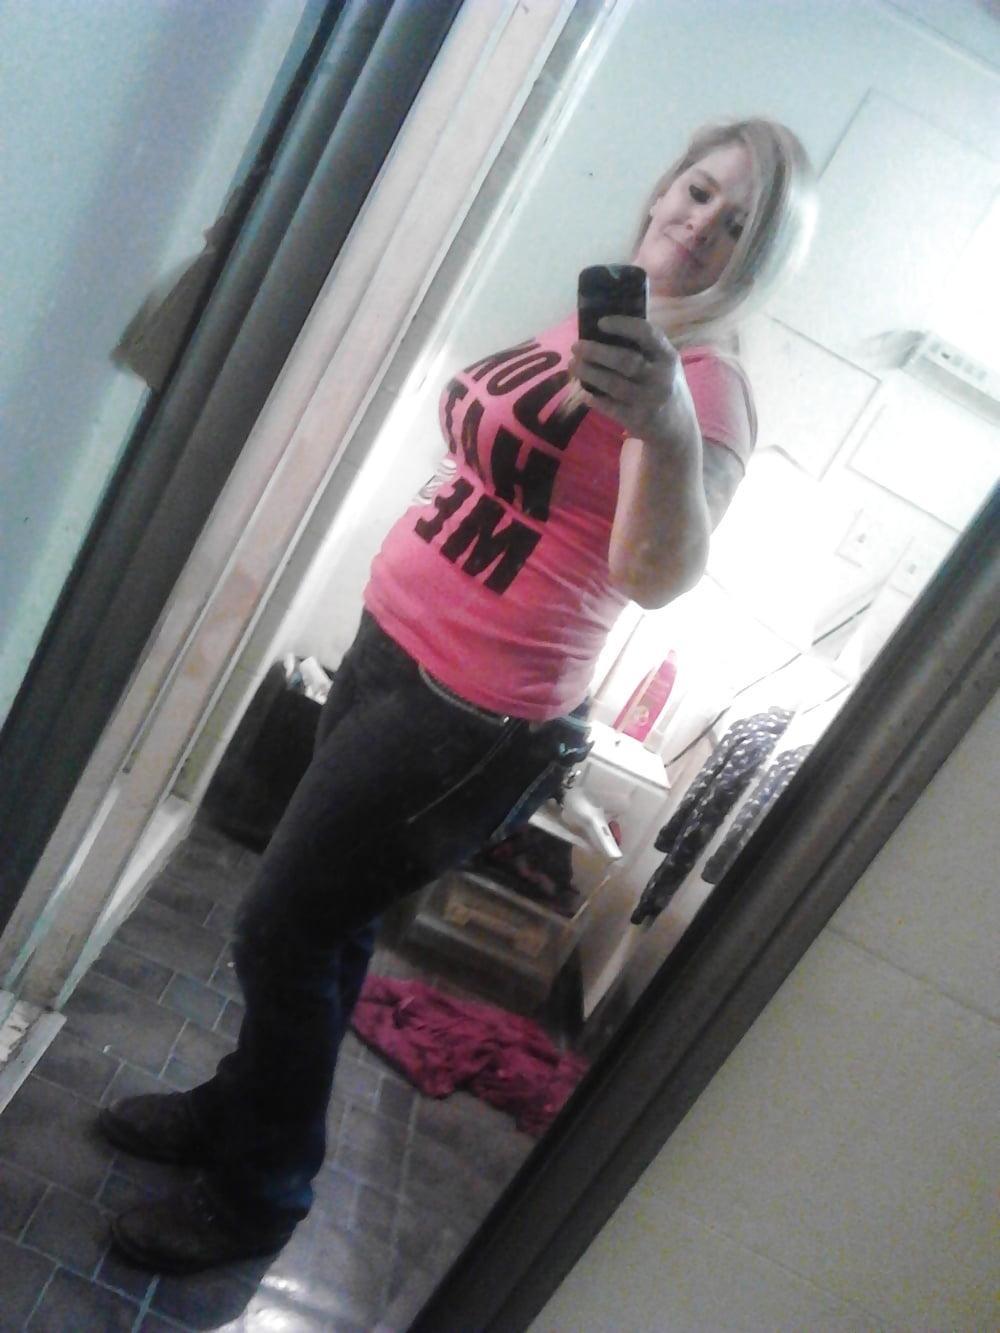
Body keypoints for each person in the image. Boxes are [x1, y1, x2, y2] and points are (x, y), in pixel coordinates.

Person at [97, 117, 816, 1272]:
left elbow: (657, 574)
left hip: (474, 717)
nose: (698, 224)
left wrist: (669, 429)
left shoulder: (702, 391)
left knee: (279, 923)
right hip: (393, 653)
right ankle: (241, 1111)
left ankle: (261, 1192)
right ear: (662, 186)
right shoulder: (595, 326)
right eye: (697, 191)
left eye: (735, 224)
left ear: (755, 261)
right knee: (325, 928)